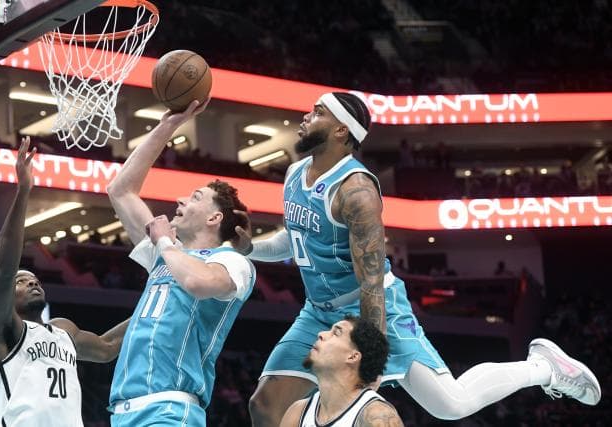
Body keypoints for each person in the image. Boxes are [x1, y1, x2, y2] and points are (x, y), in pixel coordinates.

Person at [237, 92, 601, 425]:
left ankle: (542, 368)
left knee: (450, 405)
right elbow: (295, 239)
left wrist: (372, 353)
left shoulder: (356, 191)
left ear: (340, 131)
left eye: (317, 112)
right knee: (265, 406)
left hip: (370, 310)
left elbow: (371, 282)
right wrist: (250, 248)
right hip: (318, 310)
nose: (305, 116)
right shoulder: (295, 174)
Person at [106, 99, 255, 426]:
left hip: (170, 409)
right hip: (123, 411)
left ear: (215, 218)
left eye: (195, 197)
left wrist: (164, 242)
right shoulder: (167, 254)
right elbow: (120, 190)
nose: (180, 199)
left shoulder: (232, 261)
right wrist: (167, 126)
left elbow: (198, 283)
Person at [0, 137, 129, 427]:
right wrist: (23, 191)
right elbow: (4, 269)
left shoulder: (63, 331)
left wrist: (158, 297)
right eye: (23, 282)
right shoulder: (2, 327)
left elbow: (108, 346)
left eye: (36, 280)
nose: (33, 284)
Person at [280, 316, 402, 427]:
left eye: (336, 333)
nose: (321, 334)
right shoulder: (297, 412)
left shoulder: (378, 416)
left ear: (353, 357)